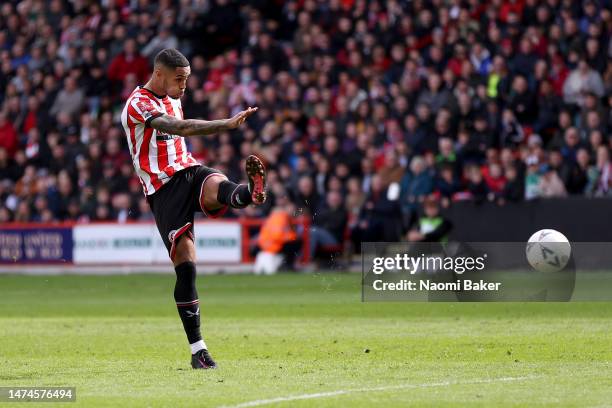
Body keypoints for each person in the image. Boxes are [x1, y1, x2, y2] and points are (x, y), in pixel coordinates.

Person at [120, 49, 267, 370]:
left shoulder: (173, 94)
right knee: (186, 265)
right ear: (159, 74)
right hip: (163, 190)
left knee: (217, 185)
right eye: (179, 79)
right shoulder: (139, 104)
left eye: (186, 79)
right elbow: (181, 128)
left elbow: (181, 130)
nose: (184, 85)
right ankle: (198, 349)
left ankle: (249, 194)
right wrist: (225, 124)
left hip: (188, 171)